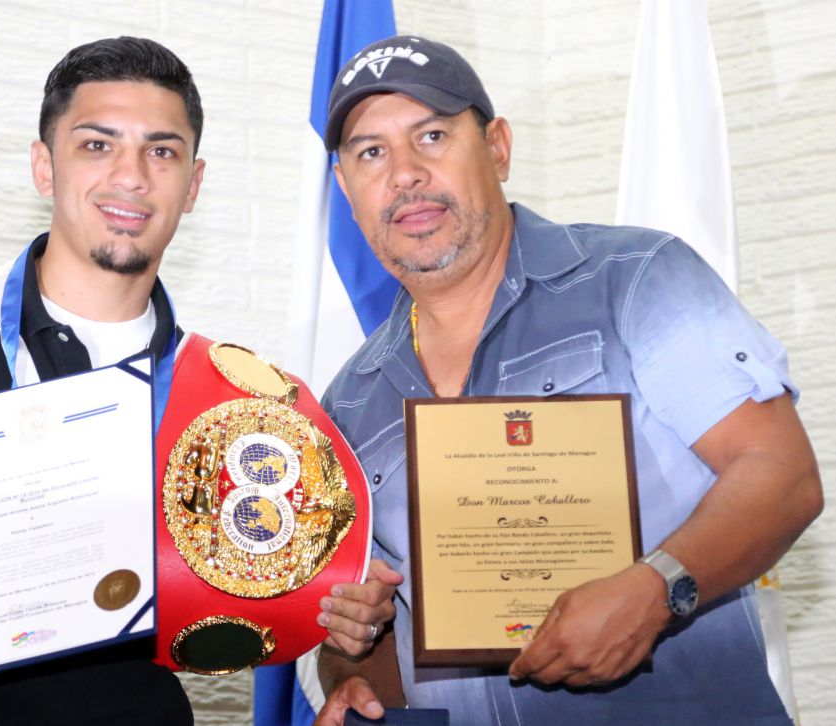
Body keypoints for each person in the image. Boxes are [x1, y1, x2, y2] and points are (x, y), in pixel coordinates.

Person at [0, 36, 388, 725]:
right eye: (96, 145)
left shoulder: (227, 399)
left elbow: (264, 583)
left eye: (161, 151)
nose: (130, 176)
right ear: (44, 166)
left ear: (192, 186)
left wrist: (339, 603)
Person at [313, 34, 823, 726]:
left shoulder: (638, 280)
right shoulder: (346, 401)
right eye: (370, 152)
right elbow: (366, 630)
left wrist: (655, 590)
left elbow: (781, 474)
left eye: (430, 135)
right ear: (346, 187)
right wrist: (350, 666)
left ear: (496, 146)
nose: (403, 173)